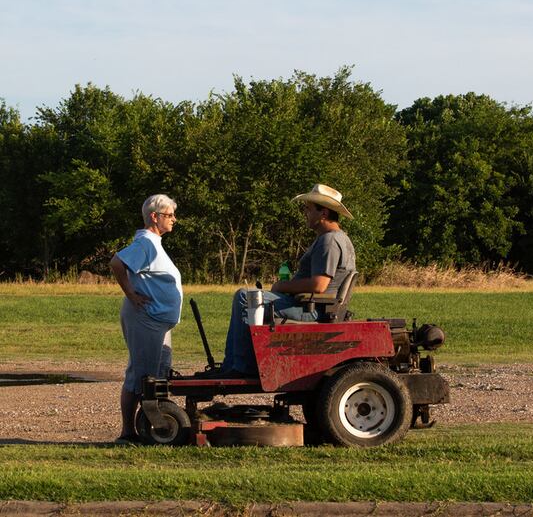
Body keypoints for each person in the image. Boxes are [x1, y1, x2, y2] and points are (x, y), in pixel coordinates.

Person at [207, 184, 356, 379]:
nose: (305, 213)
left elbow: (319, 285)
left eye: (308, 209)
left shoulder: (329, 241)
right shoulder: (338, 239)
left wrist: (281, 286)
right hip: (313, 306)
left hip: (312, 310)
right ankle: (233, 365)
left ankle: (241, 367)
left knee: (245, 297)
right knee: (247, 296)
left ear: (324, 213)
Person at [109, 194, 182, 444]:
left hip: (158, 322)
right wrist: (131, 294)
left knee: (157, 374)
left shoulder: (154, 244)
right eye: (169, 214)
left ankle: (152, 423)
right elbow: (117, 263)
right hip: (146, 319)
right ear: (155, 216)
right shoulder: (146, 244)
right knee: (141, 374)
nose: (174, 219)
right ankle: (127, 433)